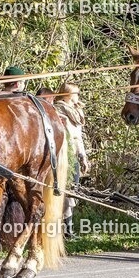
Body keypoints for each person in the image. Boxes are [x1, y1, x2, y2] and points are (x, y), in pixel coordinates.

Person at [52, 82, 90, 239]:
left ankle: (69, 226)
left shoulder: (76, 112)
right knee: (62, 191)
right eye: (75, 93)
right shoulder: (57, 110)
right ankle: (59, 227)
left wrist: (83, 156)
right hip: (62, 154)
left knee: (73, 191)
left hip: (74, 154)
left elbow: (78, 138)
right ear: (67, 94)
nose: (78, 96)